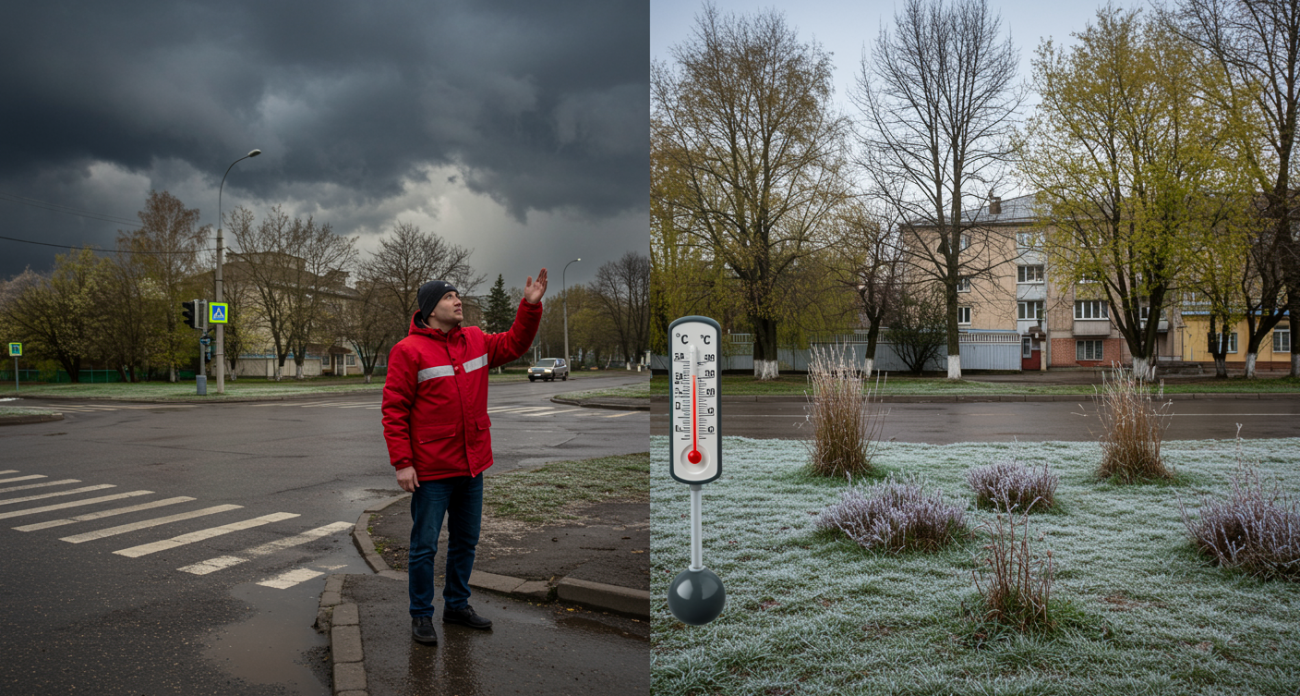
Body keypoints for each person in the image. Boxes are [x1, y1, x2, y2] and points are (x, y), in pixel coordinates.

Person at [381, 270, 547, 646]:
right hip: (431, 471)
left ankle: (456, 606)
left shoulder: (474, 339)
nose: (458, 301)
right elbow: (394, 411)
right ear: (429, 310)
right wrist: (402, 463)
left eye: (458, 295)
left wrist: (530, 306)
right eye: (449, 297)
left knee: (465, 541)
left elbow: (515, 343)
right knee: (425, 546)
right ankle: (421, 615)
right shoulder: (408, 350)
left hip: (472, 465)